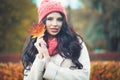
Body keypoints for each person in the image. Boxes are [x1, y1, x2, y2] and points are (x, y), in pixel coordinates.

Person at [22, 0, 90, 80]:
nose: (55, 24)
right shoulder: (33, 46)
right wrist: (40, 57)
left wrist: (49, 67)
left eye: (59, 19)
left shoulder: (75, 42)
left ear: (63, 22)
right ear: (43, 21)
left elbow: (84, 77)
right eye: (50, 19)